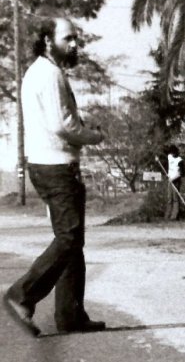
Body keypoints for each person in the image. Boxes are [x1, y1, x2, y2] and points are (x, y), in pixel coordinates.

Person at [3, 17, 107, 337]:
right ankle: (21, 297)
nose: (75, 44)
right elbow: (63, 126)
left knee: (72, 239)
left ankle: (70, 315)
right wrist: (94, 136)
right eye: (68, 38)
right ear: (49, 41)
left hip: (47, 163)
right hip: (56, 166)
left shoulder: (41, 72)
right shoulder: (49, 75)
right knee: (69, 237)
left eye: (76, 39)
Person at [164, 146, 185, 221]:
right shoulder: (169, 156)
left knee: (175, 199)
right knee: (169, 198)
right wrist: (167, 174)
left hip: (176, 181)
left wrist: (173, 178)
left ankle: (174, 216)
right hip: (169, 181)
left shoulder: (180, 160)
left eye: (173, 153)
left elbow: (182, 173)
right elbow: (168, 166)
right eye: (171, 153)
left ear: (176, 152)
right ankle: (167, 216)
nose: (172, 154)